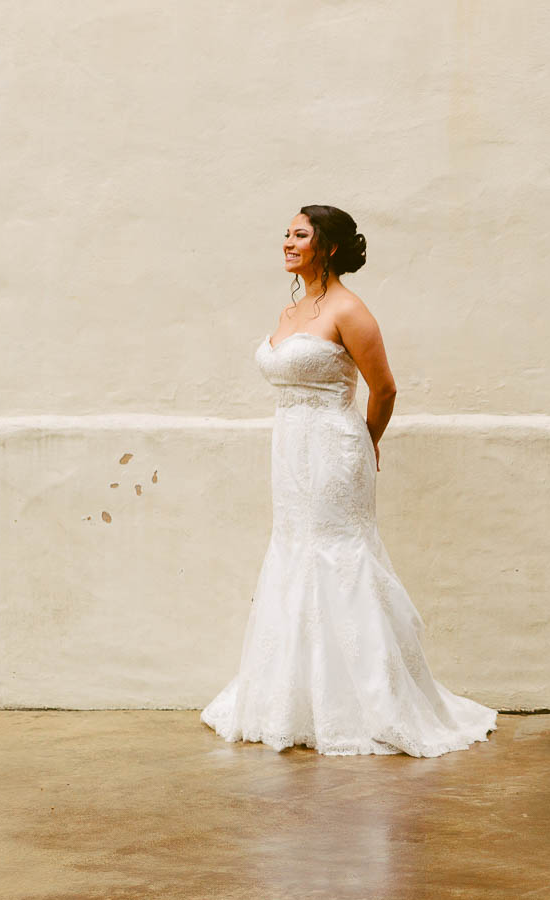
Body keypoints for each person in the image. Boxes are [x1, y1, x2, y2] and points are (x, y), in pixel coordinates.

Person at [201, 205, 497, 756]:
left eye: (301, 235)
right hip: (289, 449)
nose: (288, 243)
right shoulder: (292, 311)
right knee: (294, 551)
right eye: (286, 234)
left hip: (335, 450)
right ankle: (294, 699)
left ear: (329, 246)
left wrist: (368, 440)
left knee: (337, 556)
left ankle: (368, 703)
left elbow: (384, 389)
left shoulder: (350, 310)